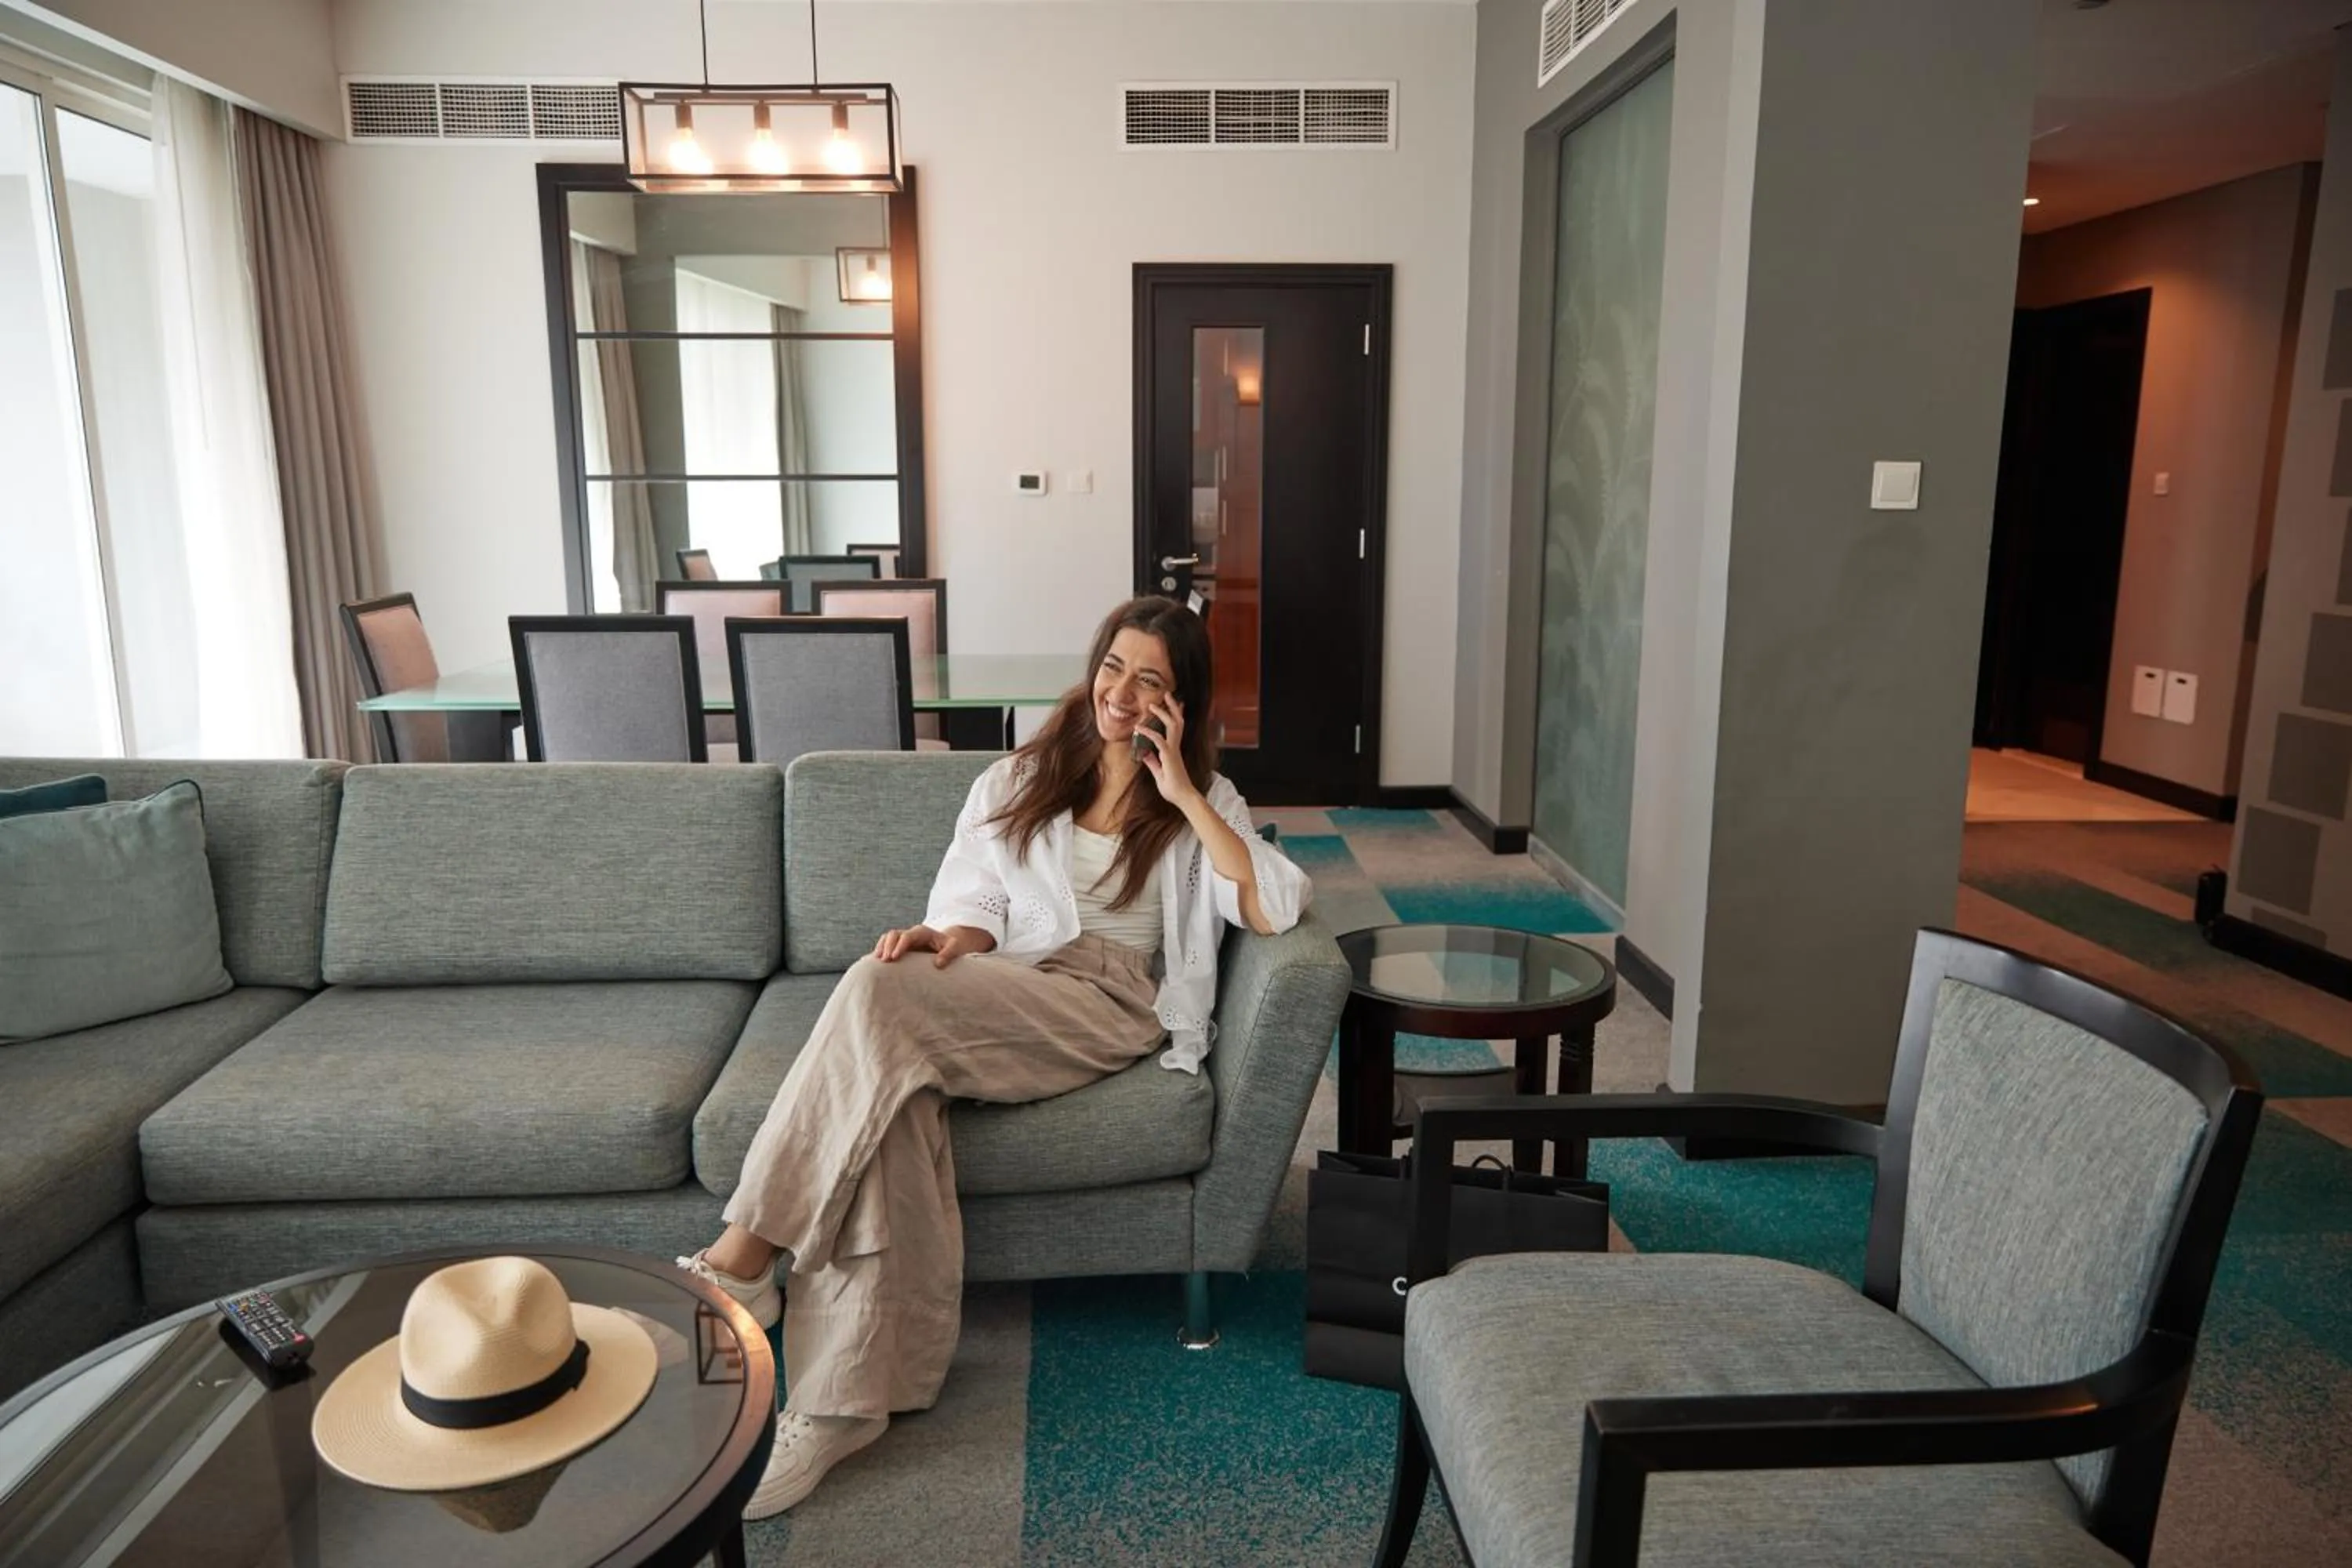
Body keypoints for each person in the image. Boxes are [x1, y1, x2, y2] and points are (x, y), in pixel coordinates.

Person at [677, 594, 1312, 1519]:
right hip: (1012, 979)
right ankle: (838, 1404)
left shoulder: (1205, 801)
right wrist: (949, 942)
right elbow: (972, 894)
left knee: (877, 998)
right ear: (1091, 666)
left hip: (1113, 999)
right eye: (1113, 667)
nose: (1123, 694)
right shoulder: (1021, 773)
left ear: (1182, 704)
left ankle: (743, 1256)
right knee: (890, 1041)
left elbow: (1274, 905)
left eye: (1152, 683)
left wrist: (1180, 794)